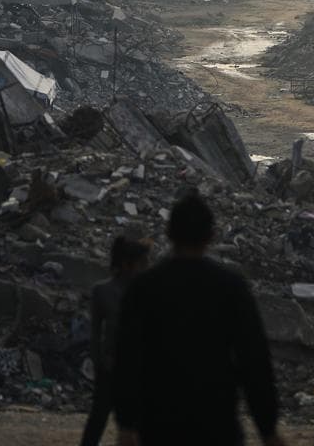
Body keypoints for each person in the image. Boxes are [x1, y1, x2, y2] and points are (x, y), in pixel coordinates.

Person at [114, 191, 286, 446]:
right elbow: (254, 360)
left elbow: (127, 358)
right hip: (217, 423)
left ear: (169, 233)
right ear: (210, 236)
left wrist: (126, 423)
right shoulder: (230, 287)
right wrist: (267, 428)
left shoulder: (144, 287)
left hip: (159, 424)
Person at [80, 236, 152, 446]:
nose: (146, 268)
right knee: (99, 416)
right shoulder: (103, 291)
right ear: (126, 265)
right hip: (111, 366)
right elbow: (95, 333)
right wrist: (99, 362)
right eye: (142, 263)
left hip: (139, 367)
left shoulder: (147, 291)